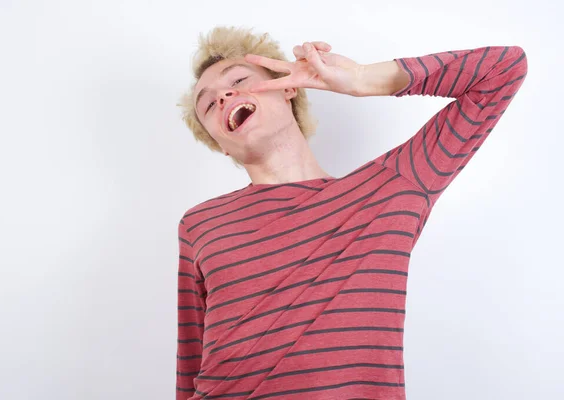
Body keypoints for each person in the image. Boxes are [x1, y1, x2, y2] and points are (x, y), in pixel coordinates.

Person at [175, 26, 527, 400]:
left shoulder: (392, 188)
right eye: (209, 104)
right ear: (220, 143)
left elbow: (502, 70)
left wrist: (360, 79)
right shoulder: (199, 224)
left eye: (240, 80)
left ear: (288, 87)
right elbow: (190, 359)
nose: (224, 96)